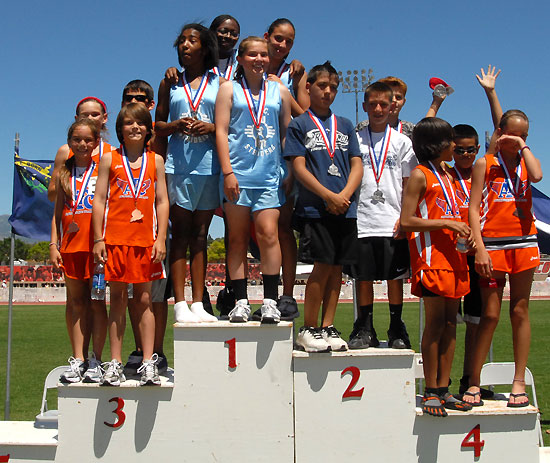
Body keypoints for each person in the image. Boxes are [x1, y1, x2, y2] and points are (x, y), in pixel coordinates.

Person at [463, 110, 542, 407]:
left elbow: (538, 176)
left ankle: (518, 381)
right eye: (514, 135)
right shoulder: (485, 163)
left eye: (525, 135)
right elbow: (473, 208)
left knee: (520, 311)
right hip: (493, 246)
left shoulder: (526, 161)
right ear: (501, 133)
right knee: (491, 314)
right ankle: (474, 380)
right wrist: (480, 247)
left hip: (524, 244)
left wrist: (523, 146)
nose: (520, 140)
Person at [285, 61, 363, 352]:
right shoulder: (299, 124)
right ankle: (309, 327)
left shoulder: (345, 124)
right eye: (322, 86)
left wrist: (344, 195)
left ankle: (328, 326)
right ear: (308, 87)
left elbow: (357, 164)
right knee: (321, 267)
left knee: (337, 269)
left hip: (345, 207)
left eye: (333, 87)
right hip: (316, 208)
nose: (328, 91)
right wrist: (328, 196)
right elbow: (299, 167)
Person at [215, 36, 291, 323]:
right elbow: (221, 131)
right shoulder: (228, 89)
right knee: (236, 239)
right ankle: (241, 301)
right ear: (241, 59)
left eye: (264, 55)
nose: (259, 60)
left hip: (269, 175)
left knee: (269, 235)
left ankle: (270, 301)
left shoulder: (279, 91)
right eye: (252, 55)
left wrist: (289, 169)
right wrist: (228, 172)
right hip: (238, 176)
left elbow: (286, 132)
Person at [92, 103, 169, 386]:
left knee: (145, 301)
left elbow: (162, 201)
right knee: (117, 301)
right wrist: (98, 238)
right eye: (128, 123)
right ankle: (114, 363)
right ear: (120, 129)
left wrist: (160, 238)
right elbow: (100, 199)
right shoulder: (109, 159)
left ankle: (149, 362)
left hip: (145, 242)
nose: (135, 127)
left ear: (148, 129)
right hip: (115, 240)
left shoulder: (156, 161)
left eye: (140, 122)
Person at [400, 117, 472, 417]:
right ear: (435, 144)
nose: (454, 145)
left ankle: (444, 388)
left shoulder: (450, 175)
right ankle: (430, 389)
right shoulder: (420, 175)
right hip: (431, 260)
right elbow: (406, 221)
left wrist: (464, 231)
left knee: (452, 324)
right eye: (449, 140)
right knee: (435, 324)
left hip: (455, 259)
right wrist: (446, 223)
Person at [155, 24, 220, 324]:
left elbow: (230, 125)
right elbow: (157, 125)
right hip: (178, 166)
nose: (185, 45)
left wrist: (211, 127)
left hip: (209, 166)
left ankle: (199, 302)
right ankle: (179, 302)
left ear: (205, 48)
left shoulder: (220, 83)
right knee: (180, 233)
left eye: (192, 40)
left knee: (201, 236)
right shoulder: (169, 82)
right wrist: (175, 126)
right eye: (181, 41)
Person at [347, 81, 416, 350]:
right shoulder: (355, 139)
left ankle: (396, 325)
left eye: (383, 104)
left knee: (394, 278)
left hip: (392, 220)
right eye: (373, 104)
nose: (378, 109)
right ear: (365, 106)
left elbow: (409, 182)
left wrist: (405, 217)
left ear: (391, 107)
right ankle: (365, 326)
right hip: (362, 219)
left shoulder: (402, 142)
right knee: (363, 277)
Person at [48, 97, 112, 378]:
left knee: (97, 302)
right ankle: (78, 359)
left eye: (88, 140)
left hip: (96, 246)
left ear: (96, 141)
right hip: (70, 247)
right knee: (76, 303)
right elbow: (56, 211)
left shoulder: (104, 167)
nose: (82, 144)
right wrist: (54, 244)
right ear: (69, 142)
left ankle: (97, 360)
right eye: (77, 140)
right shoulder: (64, 170)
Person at [119, 80, 172, 375]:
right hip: (124, 232)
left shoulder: (158, 140)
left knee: (156, 294)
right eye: (128, 98)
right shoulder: (118, 148)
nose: (133, 102)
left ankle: (157, 352)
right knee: (131, 294)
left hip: (156, 228)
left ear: (151, 104)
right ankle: (140, 350)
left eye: (140, 98)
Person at [260, 18, 309, 321]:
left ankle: (287, 295)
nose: (282, 45)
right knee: (251, 230)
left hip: (283, 160)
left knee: (283, 228)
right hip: (251, 158)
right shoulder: (248, 67)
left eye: (288, 41)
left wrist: (285, 92)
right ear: (267, 36)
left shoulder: (295, 73)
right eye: (278, 38)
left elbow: (306, 118)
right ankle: (250, 296)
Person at [357, 76, 448, 140]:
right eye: (390, 97)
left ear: (404, 102)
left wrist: (436, 102)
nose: (394, 100)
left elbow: (425, 133)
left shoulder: (409, 129)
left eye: (398, 97)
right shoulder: (363, 127)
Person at [210, 15, 240, 80]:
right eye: (223, 32)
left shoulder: (243, 59)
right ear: (211, 32)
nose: (228, 36)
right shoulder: (200, 59)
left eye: (234, 34)